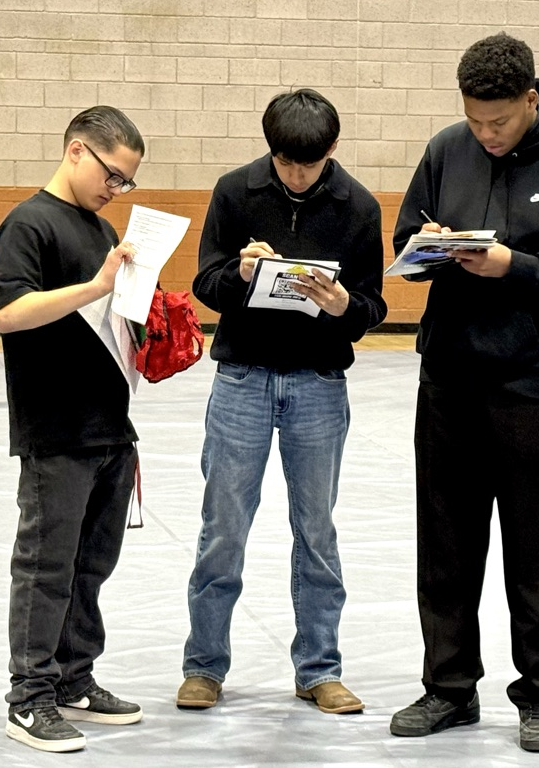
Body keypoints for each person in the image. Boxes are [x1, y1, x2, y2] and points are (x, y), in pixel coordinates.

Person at [389, 34, 539, 752]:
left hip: (536, 382)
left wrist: (513, 266)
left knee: (530, 545)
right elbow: (406, 235)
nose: (485, 135)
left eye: (498, 122)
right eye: (475, 121)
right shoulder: (446, 149)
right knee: (446, 543)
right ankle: (448, 688)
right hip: (450, 378)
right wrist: (428, 247)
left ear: (532, 99)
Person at [177, 88, 387, 714]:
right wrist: (240, 274)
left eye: (310, 163)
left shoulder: (359, 207)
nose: (297, 176)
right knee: (223, 528)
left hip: (319, 383)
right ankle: (204, 666)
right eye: (286, 163)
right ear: (269, 151)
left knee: (316, 531)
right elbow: (204, 285)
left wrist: (344, 305)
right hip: (241, 378)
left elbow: (372, 308)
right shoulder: (235, 190)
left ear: (332, 150)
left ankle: (319, 668)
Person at [0, 106, 146, 753]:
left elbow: (107, 314)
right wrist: (96, 286)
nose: (116, 189)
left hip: (109, 426)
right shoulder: (28, 223)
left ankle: (72, 678)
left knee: (91, 566)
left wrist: (144, 315)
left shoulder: (99, 228)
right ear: (77, 151)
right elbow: (9, 313)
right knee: (46, 567)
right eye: (113, 174)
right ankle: (28, 697)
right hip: (56, 429)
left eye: (126, 182)